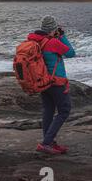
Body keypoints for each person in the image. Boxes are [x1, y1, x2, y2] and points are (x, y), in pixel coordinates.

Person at [27, 16, 76, 155]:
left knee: (48, 110)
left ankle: (50, 141)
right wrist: (62, 36)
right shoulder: (53, 42)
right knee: (64, 110)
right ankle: (46, 143)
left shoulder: (36, 40)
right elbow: (71, 53)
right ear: (53, 29)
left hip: (43, 81)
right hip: (56, 82)